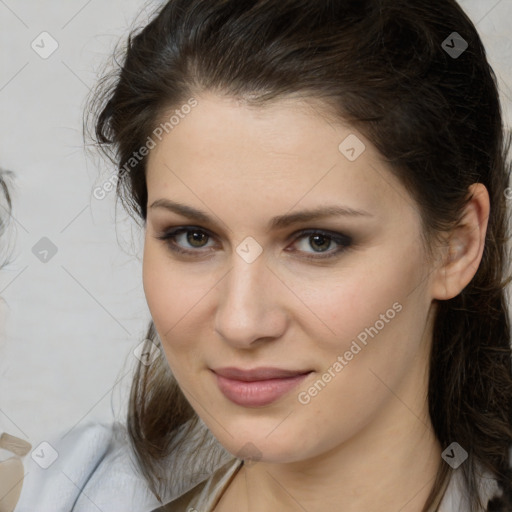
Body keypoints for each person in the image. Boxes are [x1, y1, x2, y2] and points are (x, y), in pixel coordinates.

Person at [14, 0, 512, 511]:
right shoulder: (56, 495)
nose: (241, 322)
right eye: (193, 237)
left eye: (318, 241)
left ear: (458, 244)